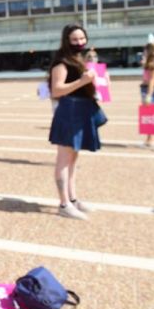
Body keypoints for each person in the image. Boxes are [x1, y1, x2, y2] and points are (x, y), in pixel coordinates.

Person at [48, 24, 102, 220]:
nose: (79, 42)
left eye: (82, 38)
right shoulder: (62, 62)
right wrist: (82, 81)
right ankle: (64, 204)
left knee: (73, 160)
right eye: (75, 39)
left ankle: (72, 198)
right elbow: (56, 90)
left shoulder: (78, 59)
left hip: (80, 110)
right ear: (67, 41)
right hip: (69, 111)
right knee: (64, 159)